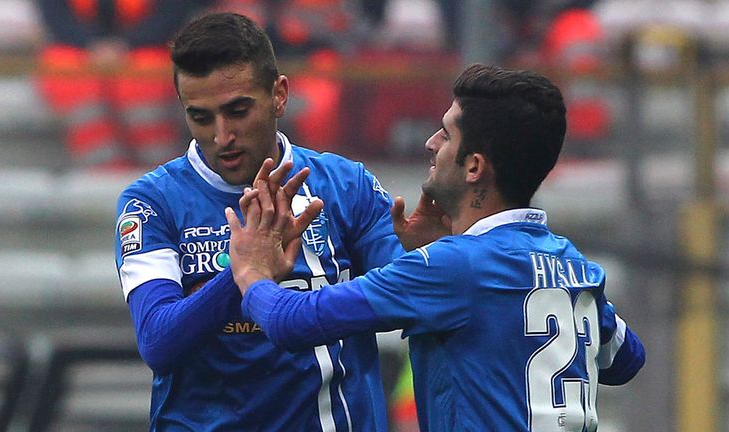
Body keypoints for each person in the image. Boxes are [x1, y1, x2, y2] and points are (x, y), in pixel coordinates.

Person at [227, 64, 646, 431]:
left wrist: (250, 270)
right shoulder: (572, 263)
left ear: (474, 167)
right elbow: (626, 359)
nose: (430, 142)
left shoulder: (451, 268)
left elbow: (292, 323)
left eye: (446, 134)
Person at [114, 12, 404, 430]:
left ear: (279, 95)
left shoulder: (346, 185)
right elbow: (158, 342)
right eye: (201, 117)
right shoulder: (151, 203)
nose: (222, 136)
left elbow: (403, 296)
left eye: (238, 110)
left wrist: (426, 255)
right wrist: (242, 274)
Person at [35, 0, 204, 170]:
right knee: (72, 83)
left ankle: (162, 178)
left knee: (142, 89)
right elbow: (56, 18)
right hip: (76, 51)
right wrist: (94, 46)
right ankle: (105, 174)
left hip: (152, 49)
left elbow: (173, 13)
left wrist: (126, 45)